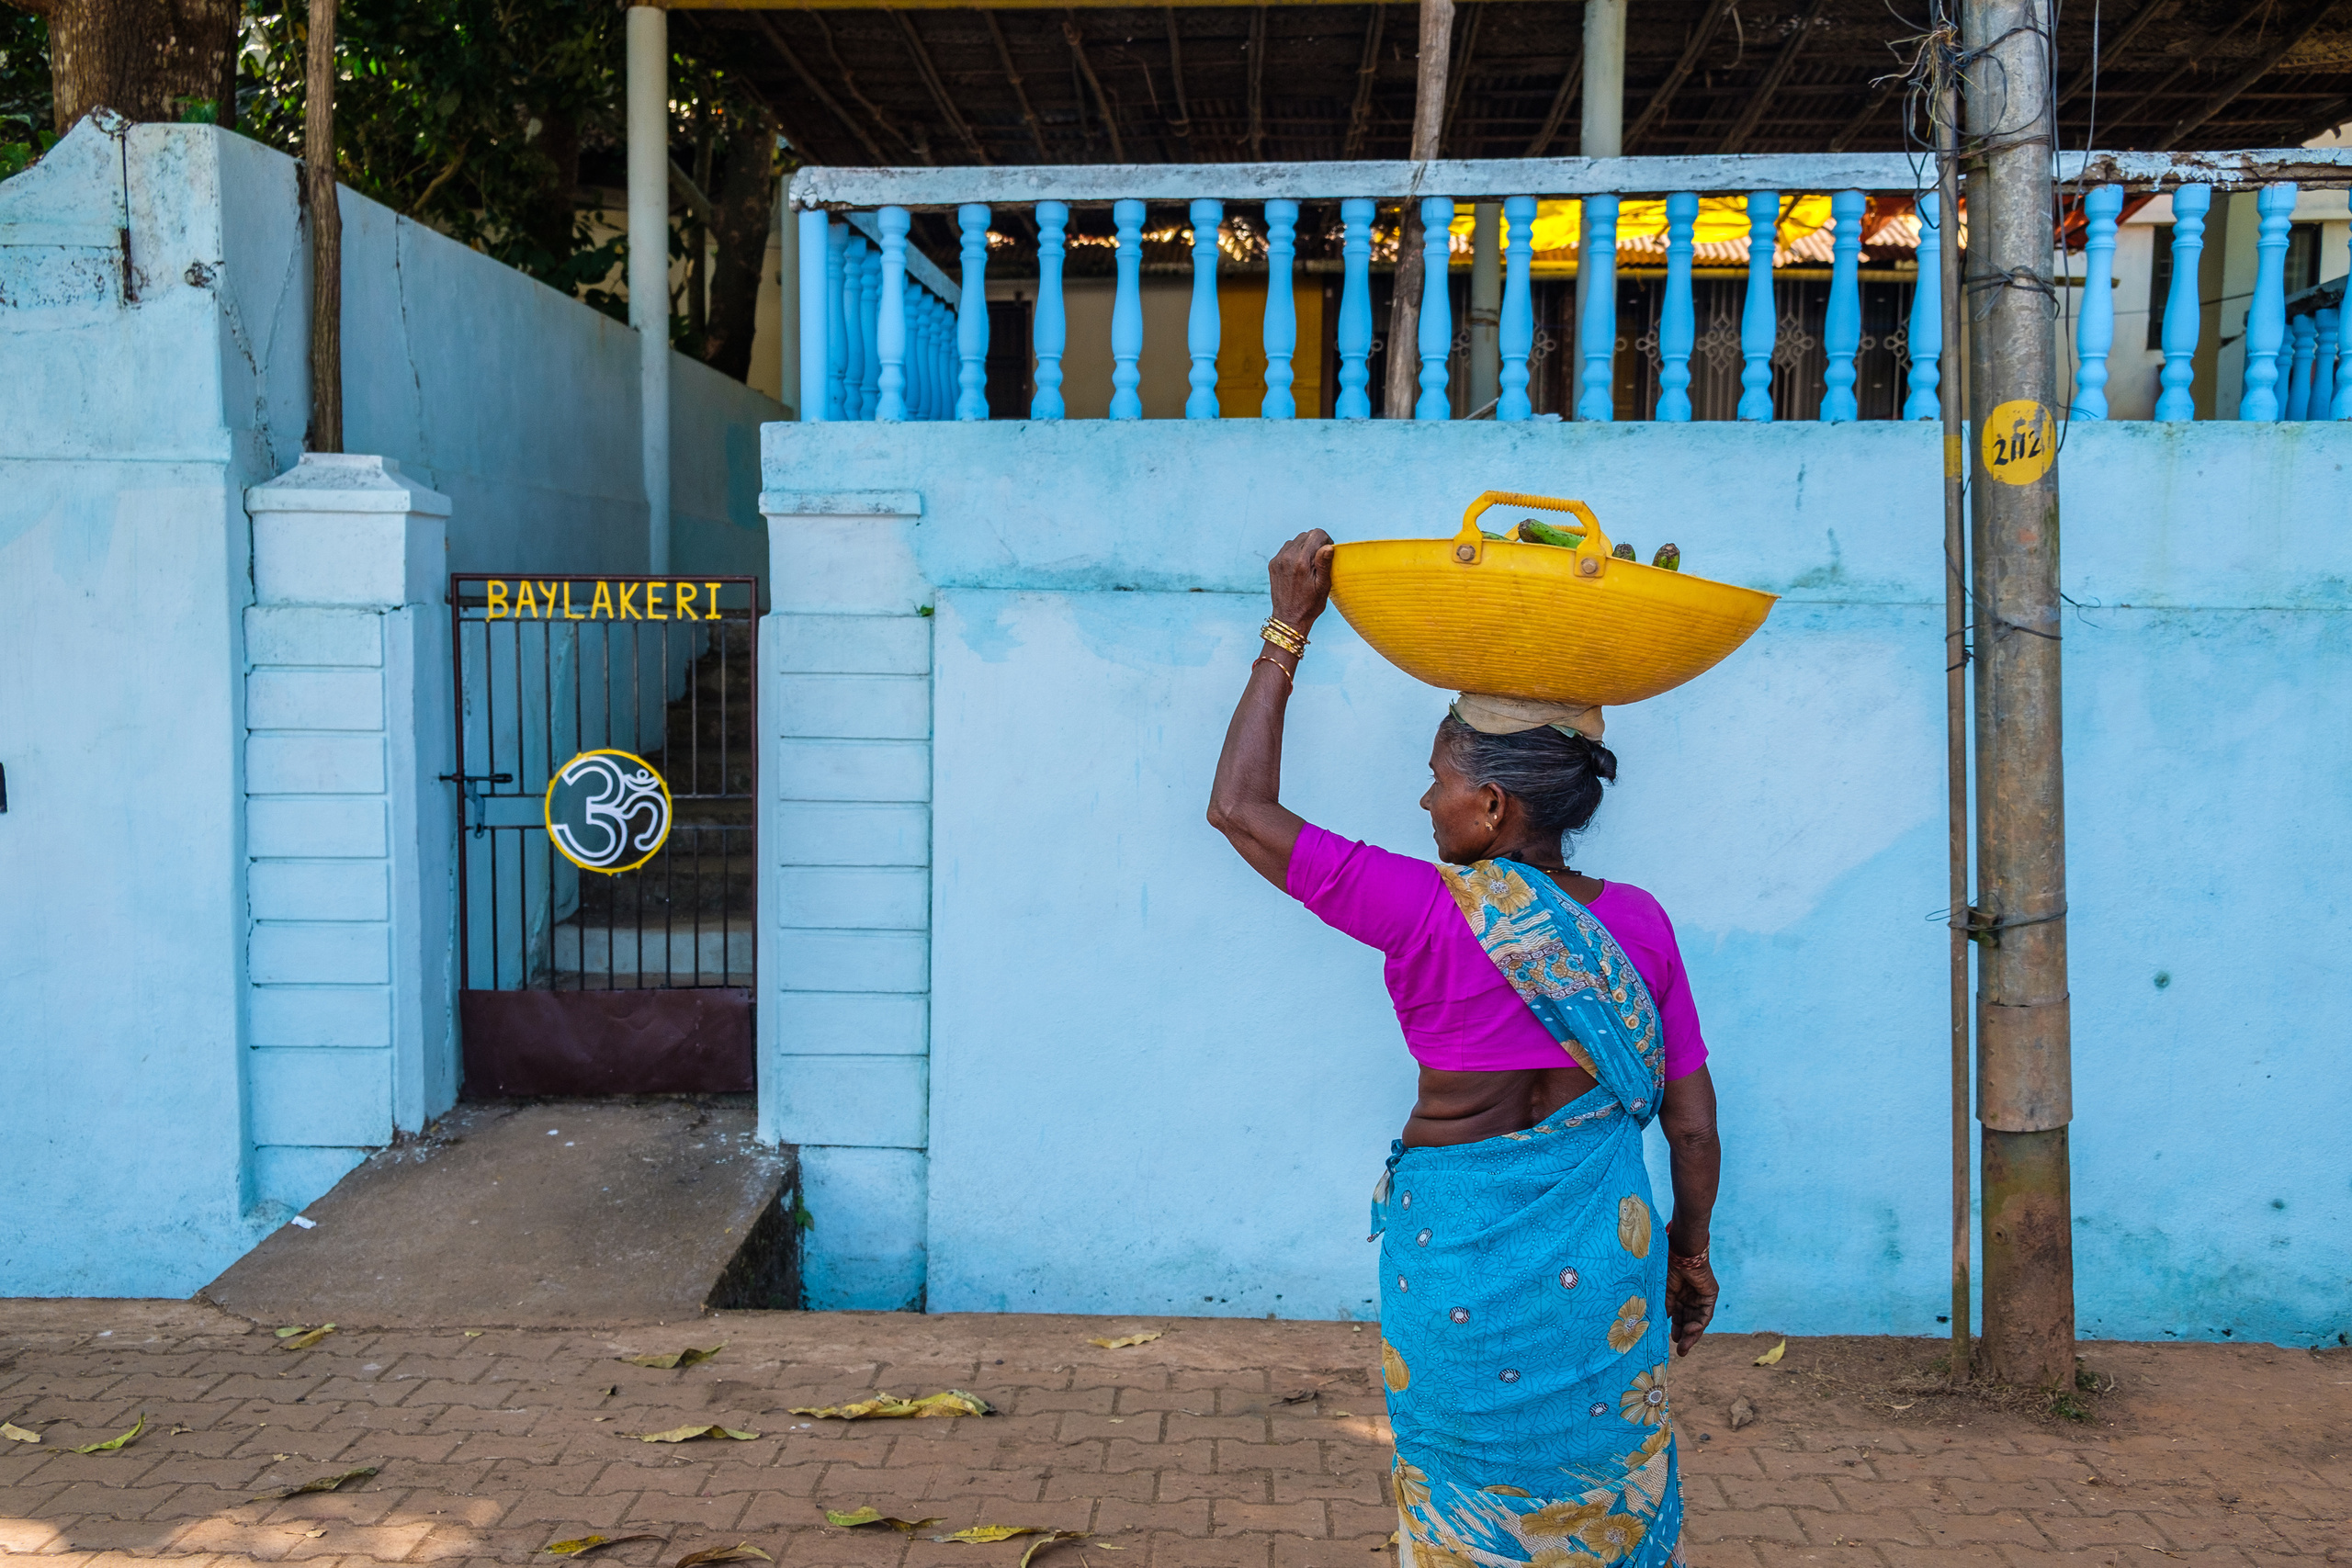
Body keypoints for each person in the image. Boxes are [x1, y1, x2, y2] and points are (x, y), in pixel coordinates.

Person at [1206, 530, 1723, 1568]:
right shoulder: (1645, 926)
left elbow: (1237, 809)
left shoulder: (1418, 906)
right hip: (1601, 1255)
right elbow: (1693, 1123)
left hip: (1456, 1268)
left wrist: (1287, 629)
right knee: (1600, 1493)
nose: (1423, 800)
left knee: (1461, 1503)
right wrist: (1689, 1252)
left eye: (1436, 780)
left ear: (1489, 806)